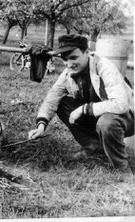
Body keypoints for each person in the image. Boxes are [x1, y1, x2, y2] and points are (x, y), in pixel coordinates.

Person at [28, 34, 134, 174]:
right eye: (65, 59)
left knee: (107, 122)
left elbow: (121, 105)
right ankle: (94, 148)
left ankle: (122, 168)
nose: (69, 63)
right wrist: (41, 126)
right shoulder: (68, 72)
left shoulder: (103, 66)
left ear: (86, 52)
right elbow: (52, 98)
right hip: (97, 115)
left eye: (73, 57)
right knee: (62, 102)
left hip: (126, 117)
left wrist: (84, 108)